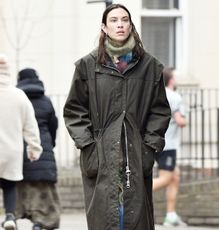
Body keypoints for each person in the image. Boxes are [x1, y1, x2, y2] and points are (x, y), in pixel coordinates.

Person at [63, 4, 171, 230]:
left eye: (124, 19)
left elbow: (159, 110)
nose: (120, 24)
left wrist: (149, 146)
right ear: (104, 27)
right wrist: (89, 146)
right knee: (106, 217)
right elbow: (74, 110)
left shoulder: (150, 66)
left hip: (136, 151)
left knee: (135, 216)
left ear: (131, 25)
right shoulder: (87, 66)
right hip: (101, 154)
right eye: (113, 20)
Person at [0, 54, 42, 230]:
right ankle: (10, 216)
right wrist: (34, 147)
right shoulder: (19, 95)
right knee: (9, 185)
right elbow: (30, 125)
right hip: (12, 151)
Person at [15, 68, 61, 230]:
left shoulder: (17, 101)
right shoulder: (46, 101)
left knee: (23, 186)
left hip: (21, 149)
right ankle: (40, 222)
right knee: (44, 190)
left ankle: (17, 216)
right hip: (43, 147)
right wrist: (51, 145)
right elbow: (53, 126)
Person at [152, 67, 187, 227]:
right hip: (168, 146)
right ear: (171, 80)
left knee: (175, 177)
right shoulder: (174, 97)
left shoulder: (154, 95)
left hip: (155, 142)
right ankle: (132, 193)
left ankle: (171, 215)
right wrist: (183, 120)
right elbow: (180, 121)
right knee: (166, 179)